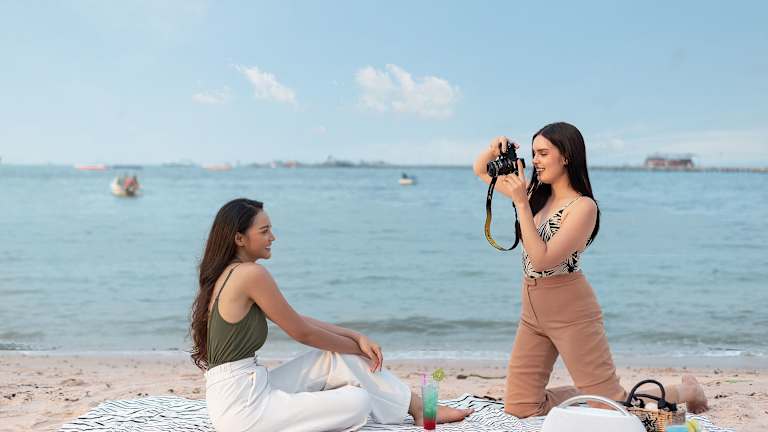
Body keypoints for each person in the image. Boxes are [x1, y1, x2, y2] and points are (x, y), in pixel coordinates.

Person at [472, 122, 708, 418]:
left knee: (612, 407)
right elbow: (480, 170)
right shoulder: (535, 194)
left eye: (543, 153)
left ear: (566, 156)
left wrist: (521, 203)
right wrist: (494, 148)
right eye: (533, 153)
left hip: (571, 312)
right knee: (521, 407)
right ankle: (589, 393)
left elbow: (542, 260)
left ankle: (687, 390)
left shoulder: (583, 207)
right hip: (532, 312)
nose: (535, 161)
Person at [190, 198, 472, 432]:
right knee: (358, 401)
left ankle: (420, 409)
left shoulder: (231, 273)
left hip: (246, 387)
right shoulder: (250, 274)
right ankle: (415, 409)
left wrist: (355, 337)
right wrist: (357, 348)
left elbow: (296, 319)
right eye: (264, 231)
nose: (272, 237)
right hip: (243, 407)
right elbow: (302, 333)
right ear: (239, 238)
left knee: (334, 358)